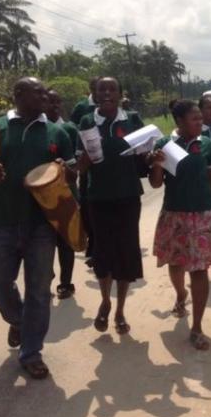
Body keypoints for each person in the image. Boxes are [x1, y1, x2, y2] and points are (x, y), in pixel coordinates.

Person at [0, 77, 76, 379]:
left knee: (39, 292)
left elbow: (72, 173)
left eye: (44, 91)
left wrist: (66, 173)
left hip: (42, 225)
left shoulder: (57, 132)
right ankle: (18, 320)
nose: (44, 95)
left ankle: (31, 353)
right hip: (2, 221)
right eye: (37, 91)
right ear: (18, 95)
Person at [149, 99, 211, 351]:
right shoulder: (164, 145)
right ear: (179, 121)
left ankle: (197, 327)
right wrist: (156, 163)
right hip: (174, 215)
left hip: (202, 215)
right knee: (176, 263)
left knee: (200, 270)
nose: (201, 123)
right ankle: (180, 294)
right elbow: (156, 184)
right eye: (195, 119)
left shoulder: (206, 144)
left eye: (201, 118)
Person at [77, 76, 147, 335]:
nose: (106, 93)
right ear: (93, 93)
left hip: (128, 196)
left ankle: (120, 310)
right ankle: (105, 301)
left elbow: (144, 158)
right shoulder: (86, 121)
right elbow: (81, 166)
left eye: (112, 89)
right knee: (103, 252)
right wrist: (83, 160)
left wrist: (150, 154)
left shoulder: (131, 120)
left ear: (120, 94)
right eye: (101, 89)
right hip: (98, 197)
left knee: (126, 252)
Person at [45, 88, 79, 300]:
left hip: (66, 194)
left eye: (57, 101)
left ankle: (66, 283)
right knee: (44, 242)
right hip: (41, 197)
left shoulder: (68, 129)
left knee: (65, 242)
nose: (54, 105)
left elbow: (75, 167)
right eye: (50, 101)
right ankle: (45, 278)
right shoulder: (39, 131)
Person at [70, 76, 100, 267]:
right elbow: (73, 129)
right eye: (96, 88)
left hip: (105, 166)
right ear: (91, 88)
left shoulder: (113, 108)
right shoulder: (82, 108)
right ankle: (91, 241)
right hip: (86, 162)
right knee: (86, 204)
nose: (101, 92)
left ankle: (97, 247)